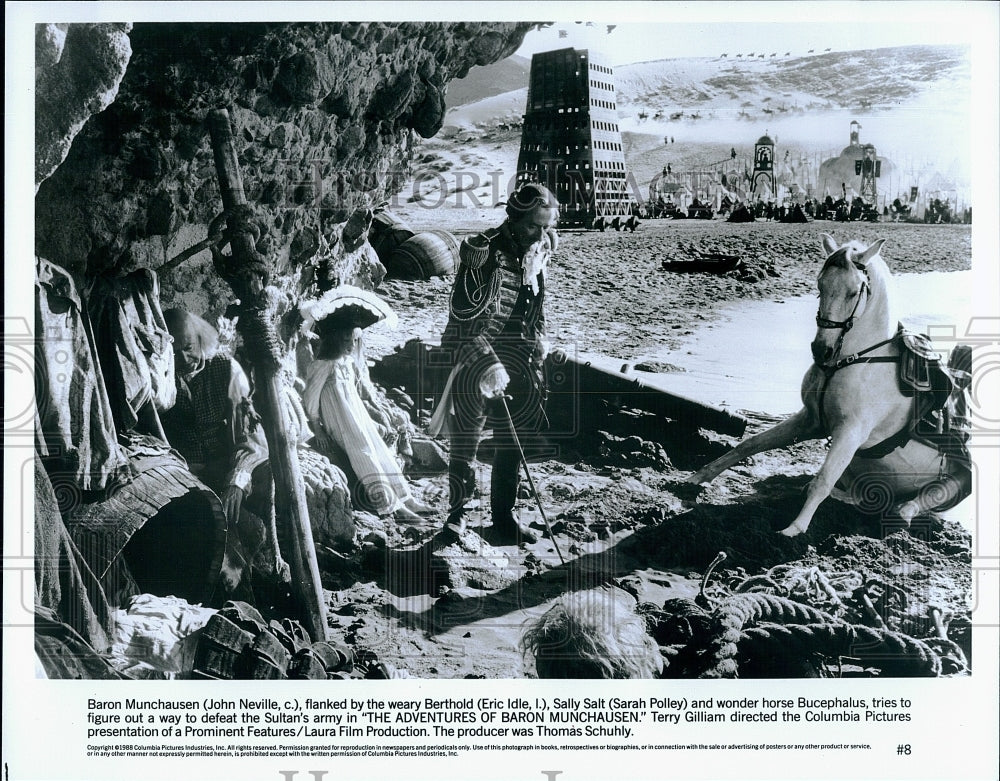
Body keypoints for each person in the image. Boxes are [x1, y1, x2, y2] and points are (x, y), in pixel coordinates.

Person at [429, 182, 559, 545]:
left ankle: (504, 517)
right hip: (476, 352)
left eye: (546, 225)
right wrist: (487, 362)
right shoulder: (483, 251)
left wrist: (540, 339)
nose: (541, 233)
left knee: (512, 440)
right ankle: (456, 518)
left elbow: (538, 303)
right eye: (534, 225)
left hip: (521, 354)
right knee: (467, 438)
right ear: (515, 218)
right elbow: (461, 317)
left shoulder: (540, 247)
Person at [302, 319, 433, 522]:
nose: (352, 345)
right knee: (364, 455)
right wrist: (317, 429)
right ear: (335, 340)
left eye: (354, 340)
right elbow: (310, 398)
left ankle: (405, 497)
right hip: (338, 420)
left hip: (356, 415)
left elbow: (356, 395)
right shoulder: (322, 365)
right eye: (347, 340)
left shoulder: (345, 363)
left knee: (379, 450)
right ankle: (391, 506)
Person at [161, 308, 269, 526]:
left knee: (264, 482)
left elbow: (248, 436)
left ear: (200, 339)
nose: (183, 358)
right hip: (181, 471)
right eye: (174, 353)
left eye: (188, 347)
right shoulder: (160, 375)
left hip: (222, 466)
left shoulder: (227, 368)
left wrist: (237, 481)